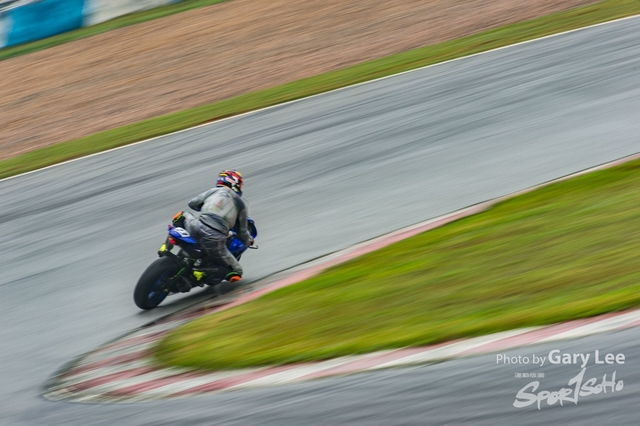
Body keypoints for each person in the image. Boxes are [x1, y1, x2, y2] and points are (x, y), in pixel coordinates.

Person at [173, 169, 253, 282]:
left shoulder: (213, 191)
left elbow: (192, 203)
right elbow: (242, 232)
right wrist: (249, 241)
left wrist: (208, 207)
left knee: (182, 215)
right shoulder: (241, 204)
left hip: (196, 226)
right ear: (234, 182)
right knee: (237, 272)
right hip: (215, 238)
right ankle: (200, 271)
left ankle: (166, 246)